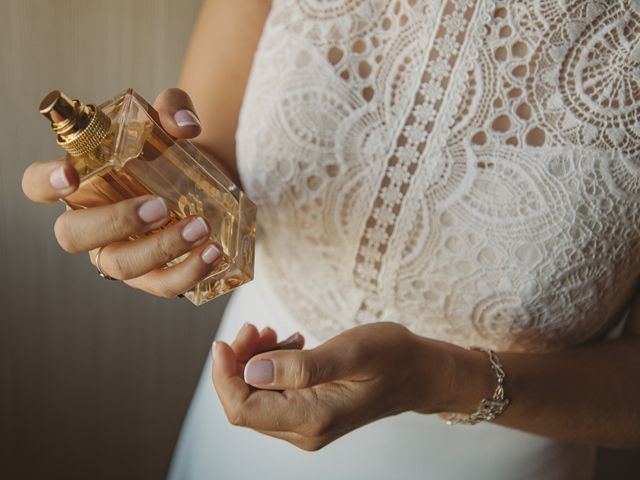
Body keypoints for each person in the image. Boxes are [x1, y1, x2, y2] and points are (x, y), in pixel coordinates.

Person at [21, 0, 640, 478]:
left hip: (504, 452)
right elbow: (207, 165)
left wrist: (439, 379)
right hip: (246, 408)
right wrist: (139, 219)